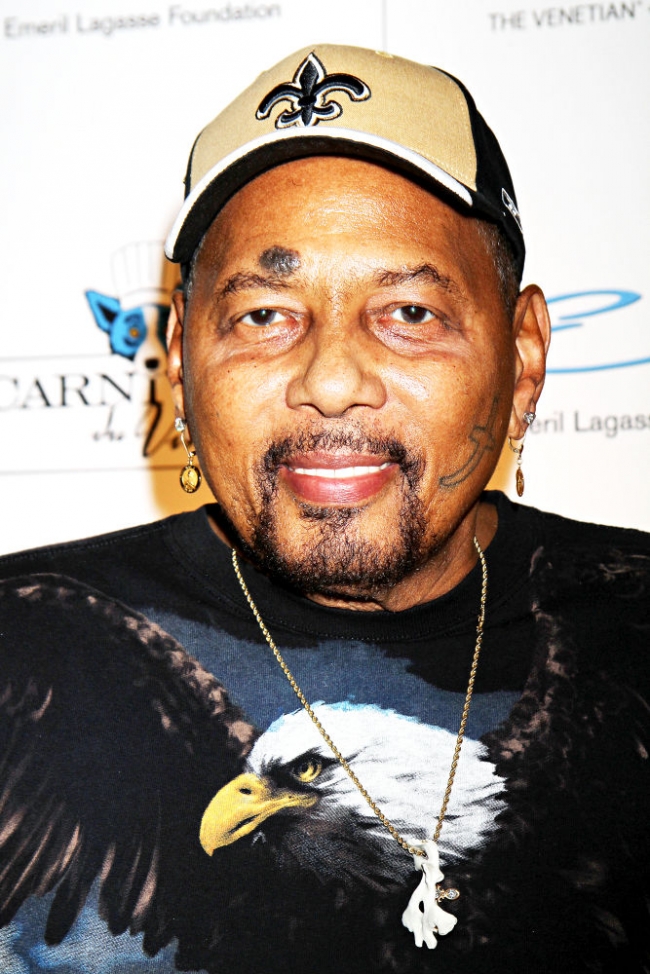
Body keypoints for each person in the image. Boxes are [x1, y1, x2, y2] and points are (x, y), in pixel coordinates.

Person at [0, 44, 648, 974]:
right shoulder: (23, 645)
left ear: (524, 357)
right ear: (179, 360)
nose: (332, 381)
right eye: (264, 314)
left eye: (410, 313)